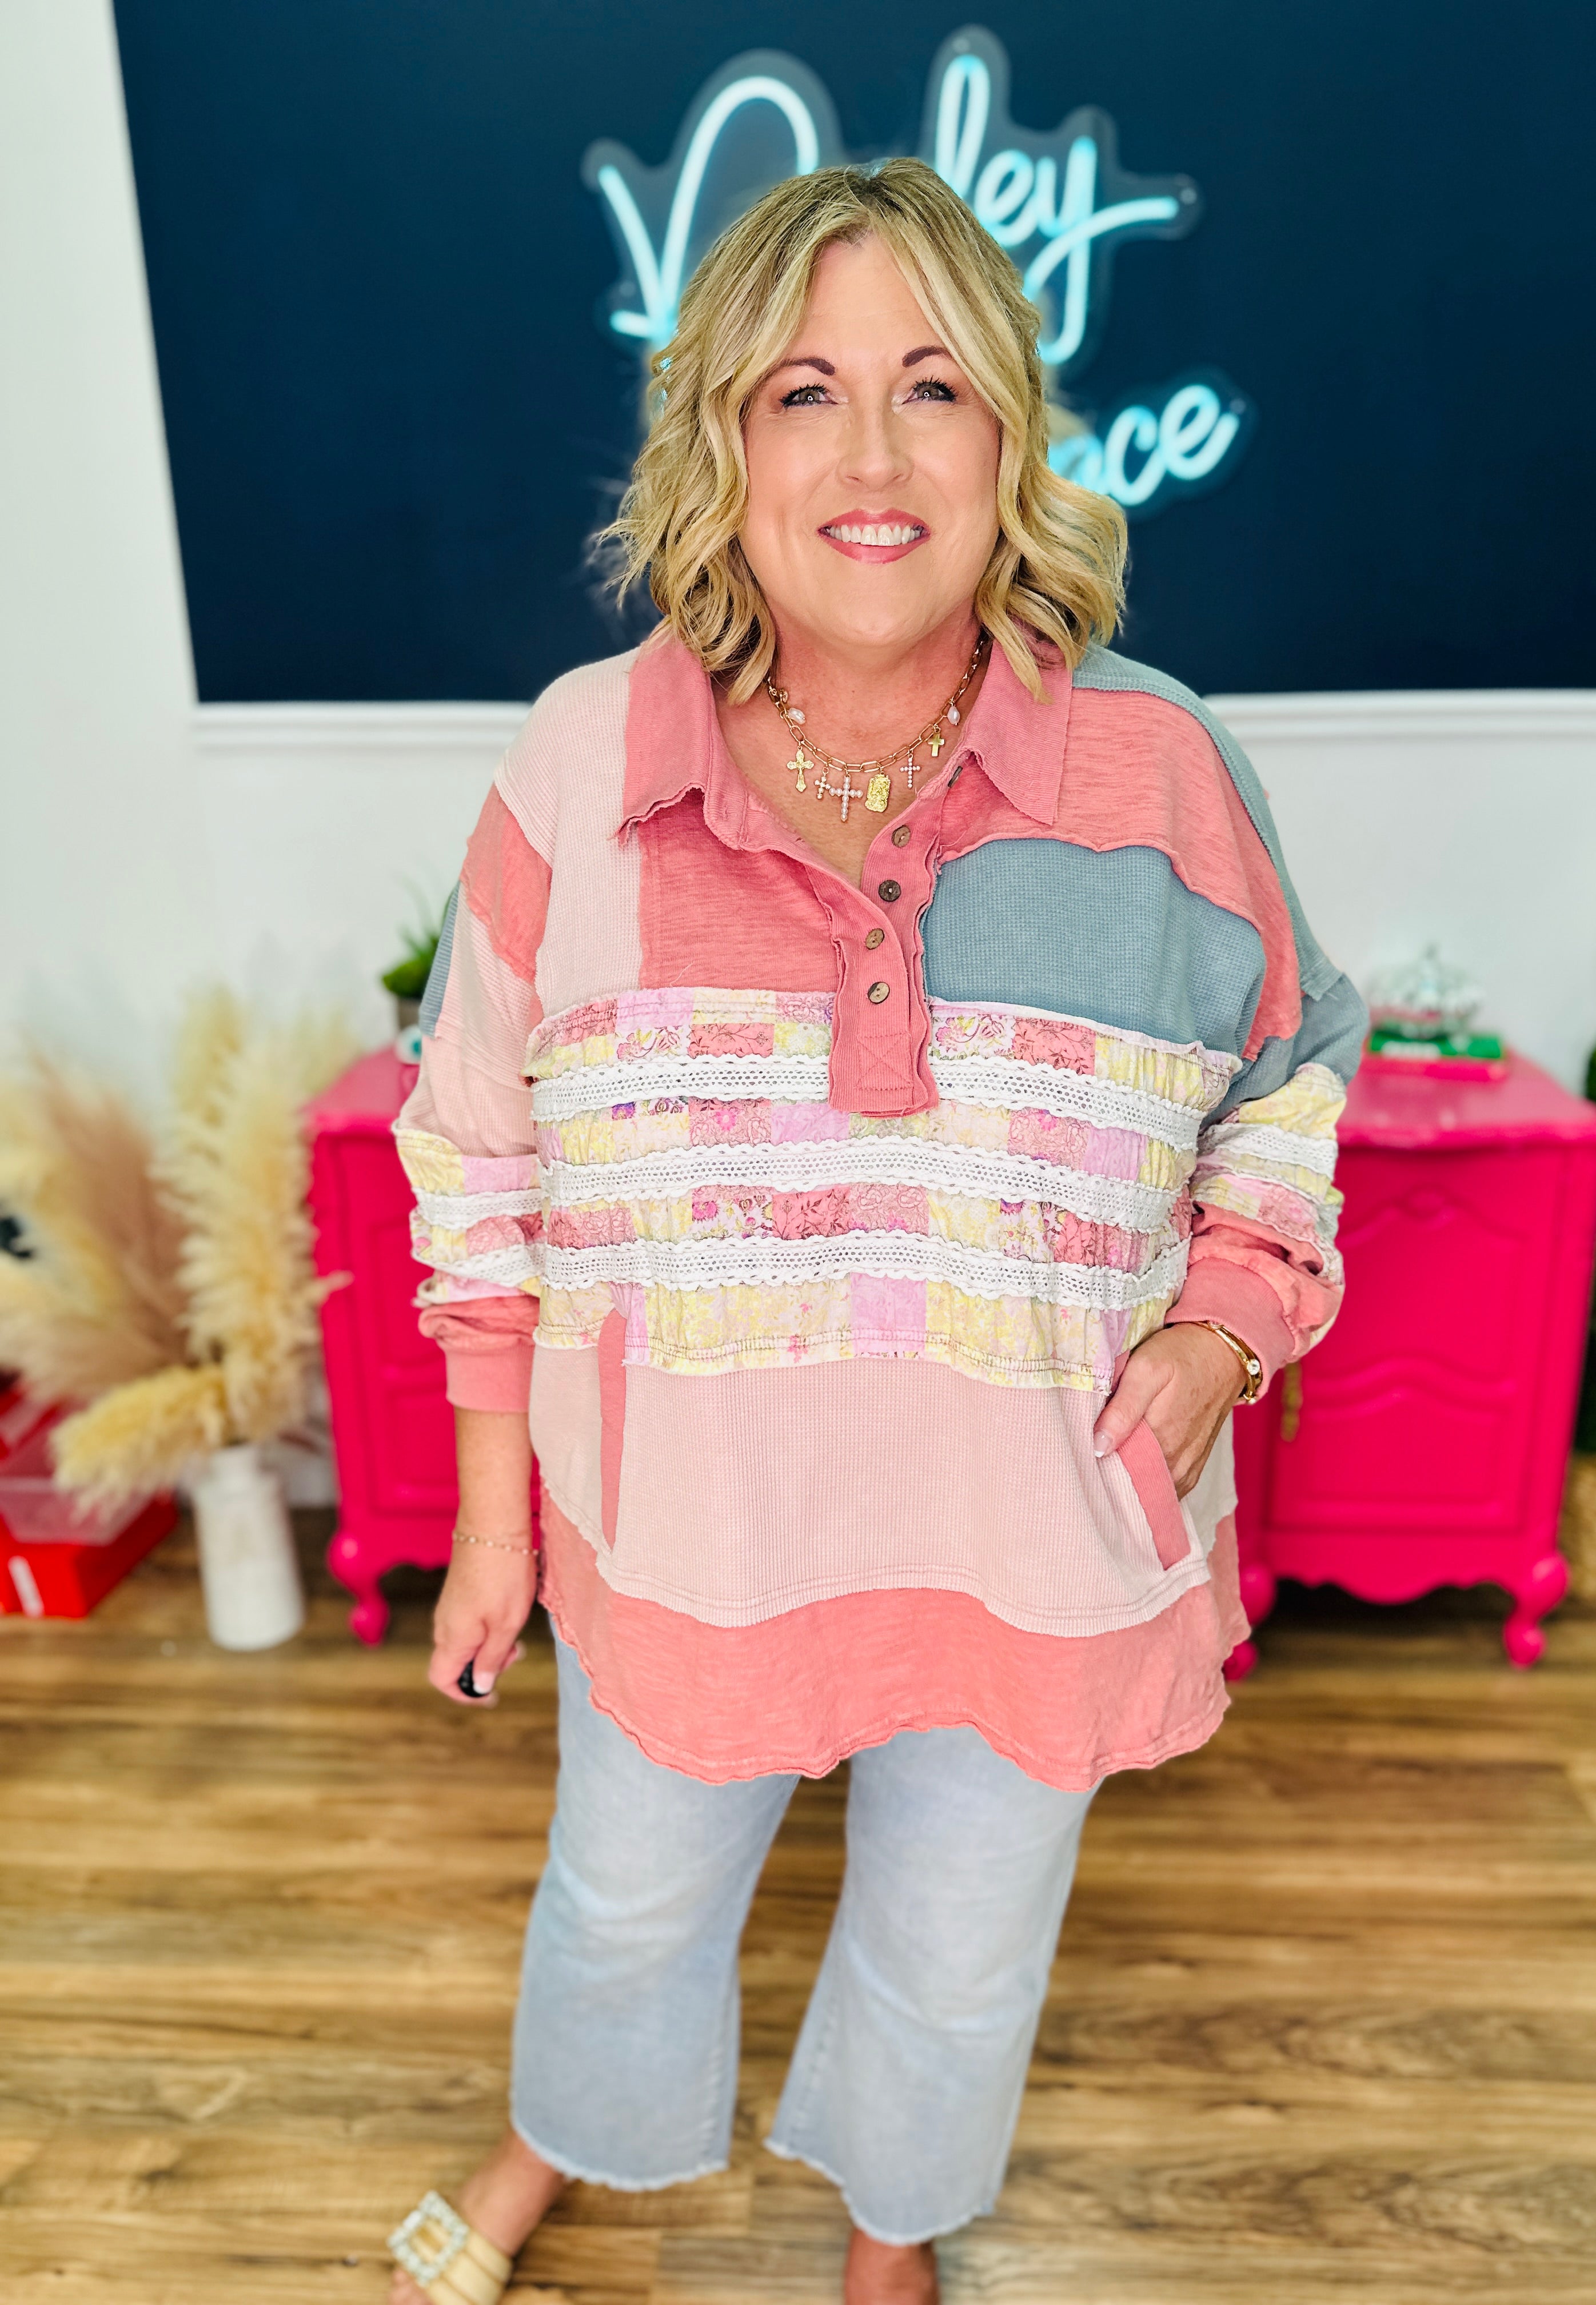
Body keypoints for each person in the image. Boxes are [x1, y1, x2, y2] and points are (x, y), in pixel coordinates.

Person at [384, 157, 1364, 2305]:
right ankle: (561, 2135)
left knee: (963, 1932)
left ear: (1009, 436)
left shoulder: (1160, 769)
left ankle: (893, 2222)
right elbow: (476, 1157)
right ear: (721, 446)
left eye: (931, 388)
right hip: (687, 1524)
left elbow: (1290, 1083)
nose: (871, 457)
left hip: (1034, 1522)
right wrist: (489, 1521)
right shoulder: (580, 762)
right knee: (626, 1896)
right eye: (803, 393)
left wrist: (1218, 1332)